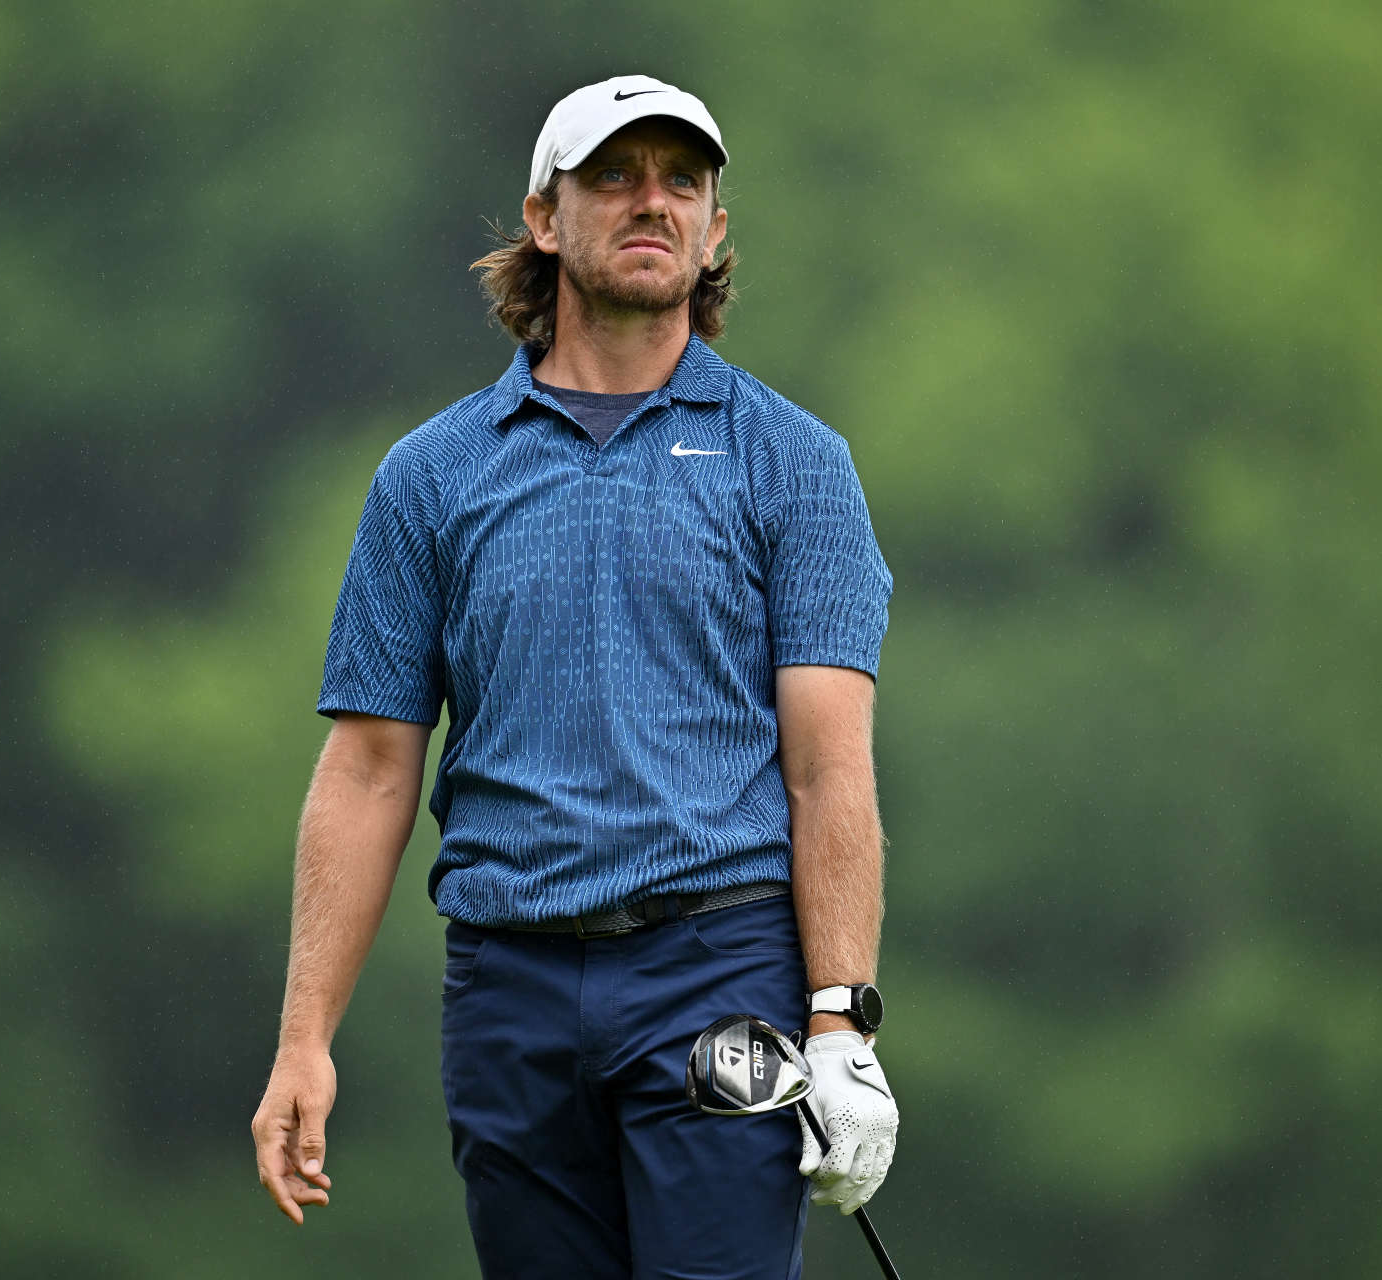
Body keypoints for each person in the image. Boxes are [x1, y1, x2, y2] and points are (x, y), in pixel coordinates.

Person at [252, 74, 899, 1279]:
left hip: (721, 972)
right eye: (614, 177)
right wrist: (305, 1042)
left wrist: (840, 1020)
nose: (650, 203)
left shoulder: (794, 464)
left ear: (713, 232)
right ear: (545, 217)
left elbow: (828, 767)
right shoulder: (432, 476)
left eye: (682, 184)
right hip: (510, 986)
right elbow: (369, 769)